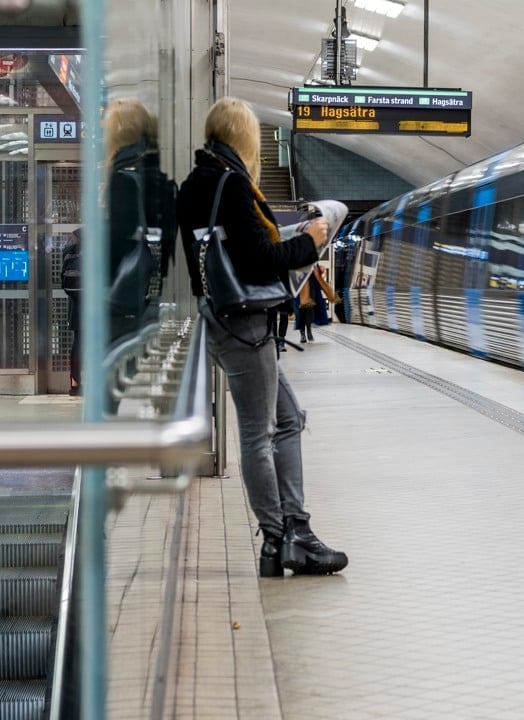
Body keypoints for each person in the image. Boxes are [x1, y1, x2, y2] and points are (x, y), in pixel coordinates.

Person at [176, 97, 348, 577]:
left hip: (225, 319)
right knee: (259, 433)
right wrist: (311, 241)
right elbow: (261, 259)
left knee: (288, 418)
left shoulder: (195, 185)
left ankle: (295, 529)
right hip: (247, 325)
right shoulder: (231, 185)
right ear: (245, 137)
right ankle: (280, 538)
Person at [103, 98, 178, 344]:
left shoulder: (123, 178)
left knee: (116, 373)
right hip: (154, 298)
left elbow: (116, 245)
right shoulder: (162, 177)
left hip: (123, 303)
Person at [60, 228, 82, 396]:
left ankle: (75, 384)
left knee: (79, 343)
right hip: (100, 299)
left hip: (77, 301)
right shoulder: (105, 233)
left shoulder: (75, 236)